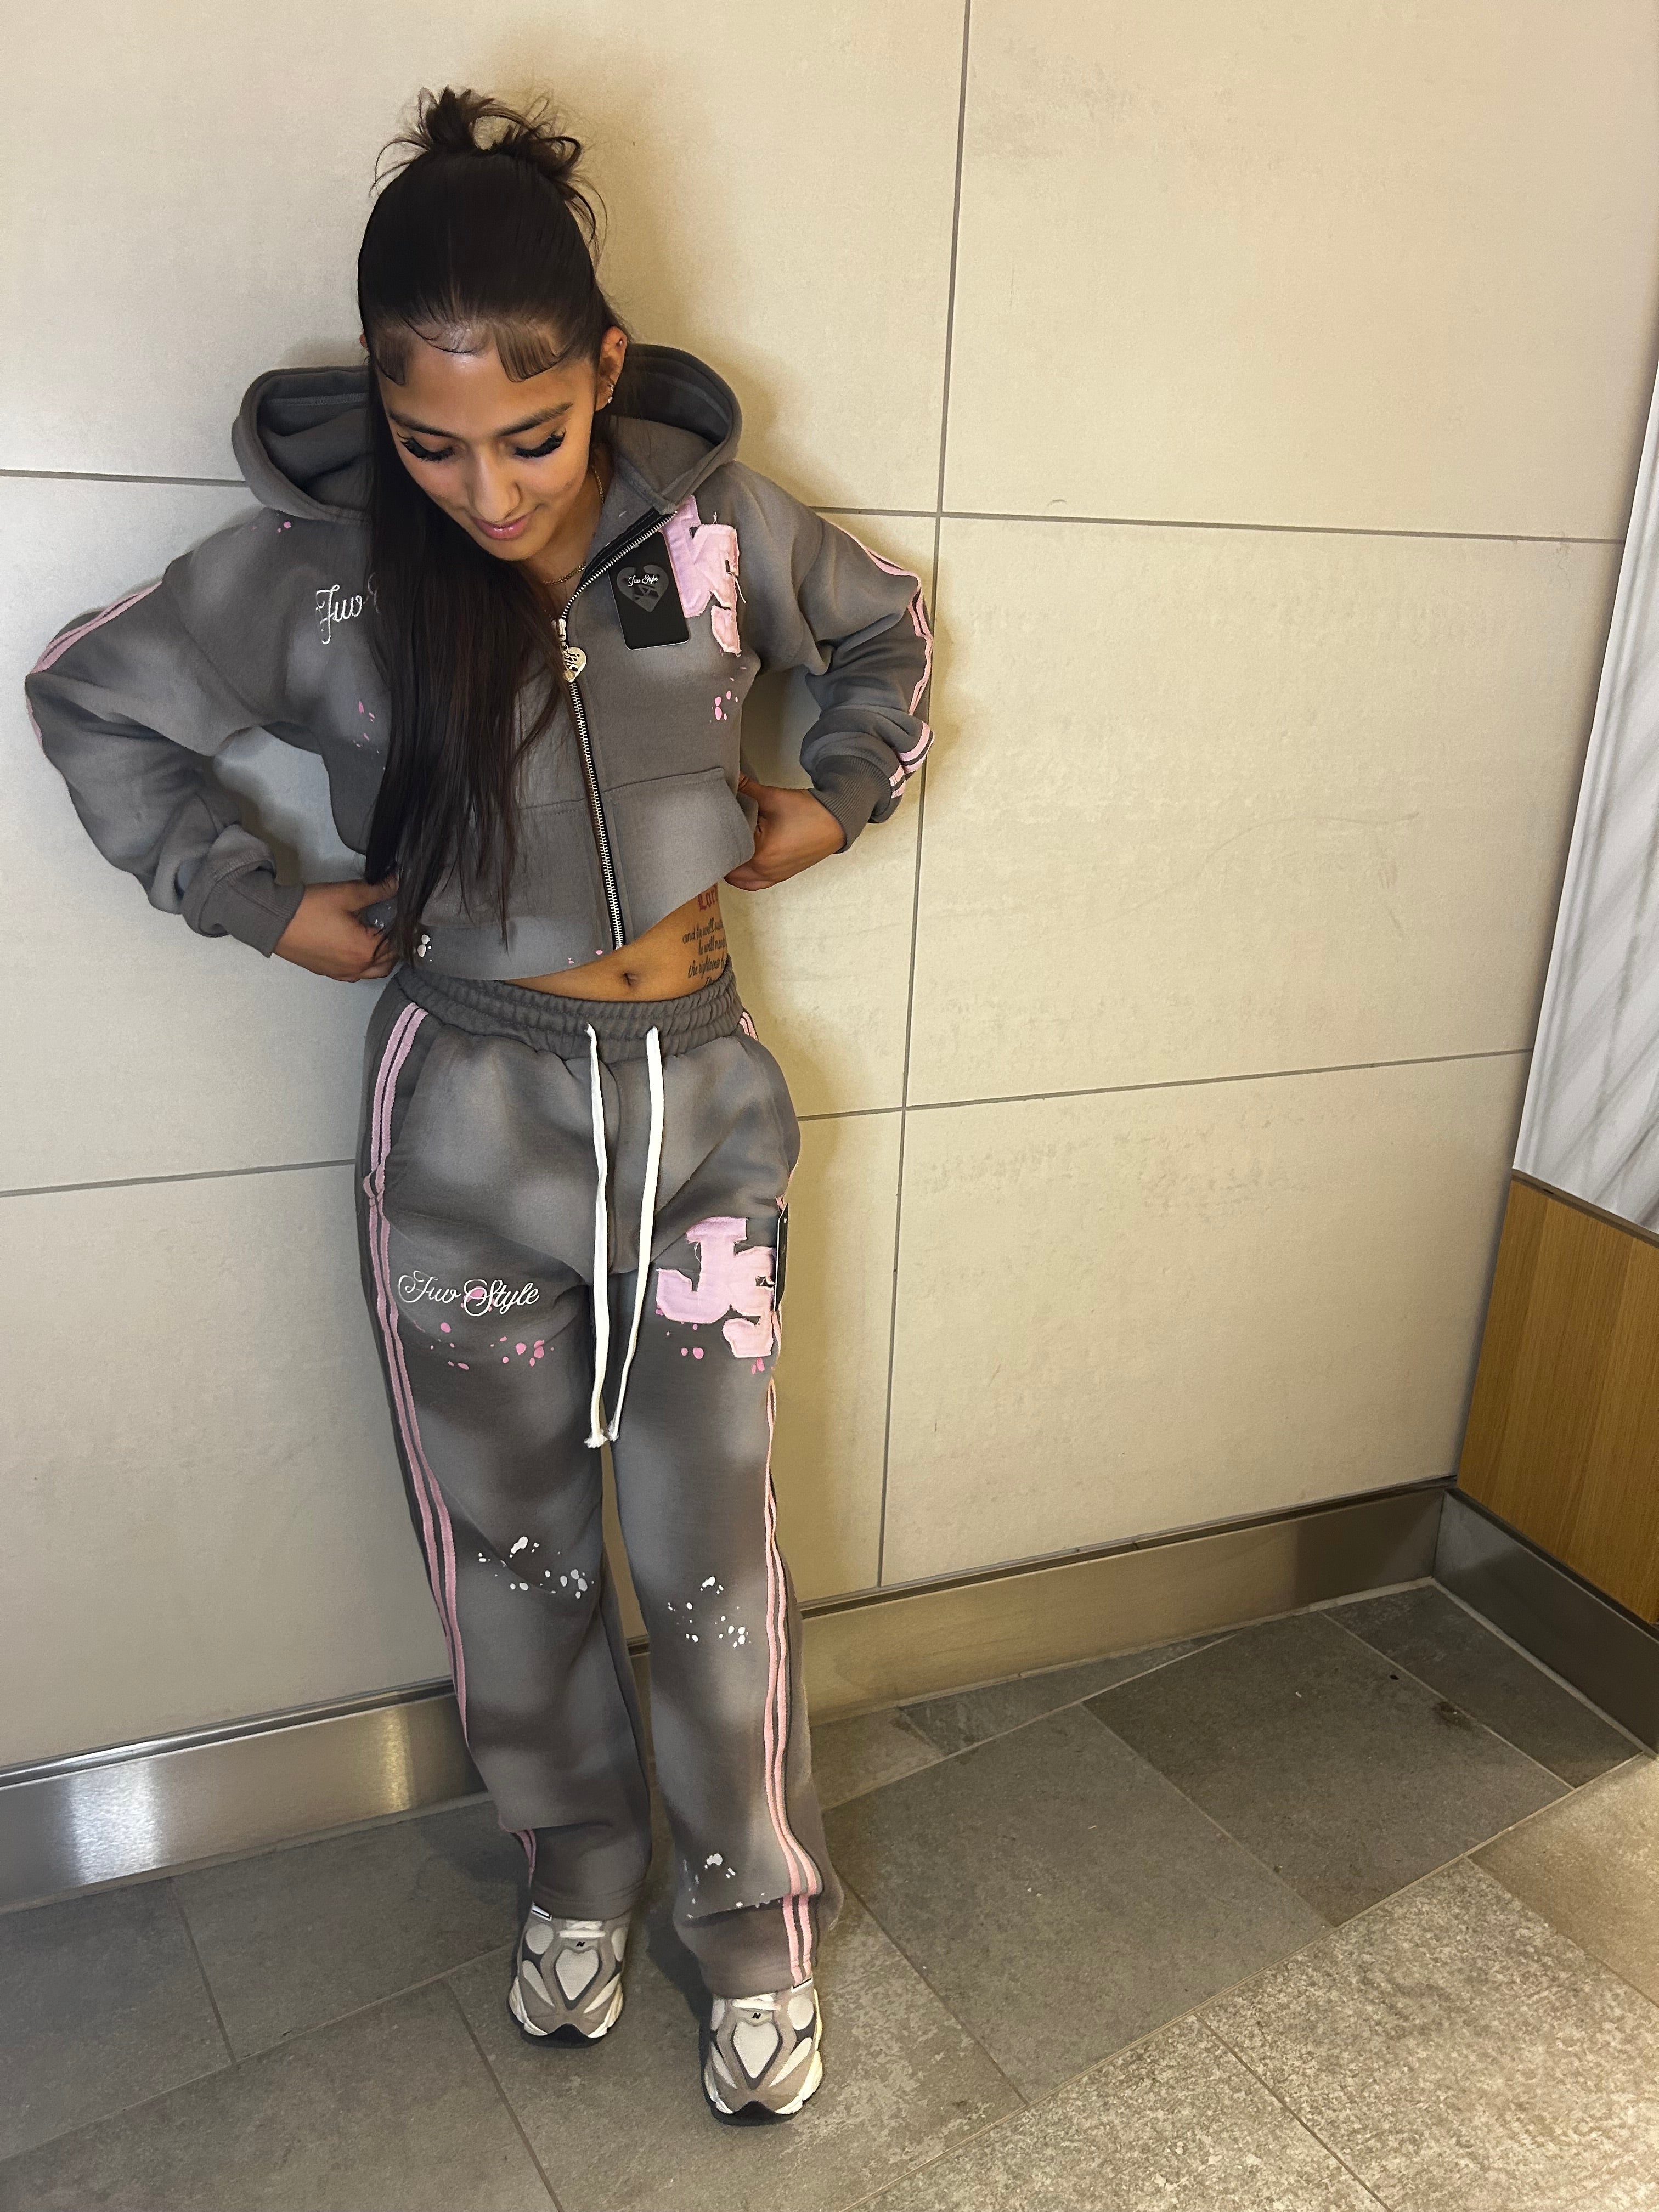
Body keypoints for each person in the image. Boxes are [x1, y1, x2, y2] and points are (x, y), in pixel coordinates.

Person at [26, 87, 932, 2123]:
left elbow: (885, 632)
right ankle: (577, 1875)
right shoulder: (322, 573)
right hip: (462, 1129)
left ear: (603, 366)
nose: (487, 487)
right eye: (432, 442)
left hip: (698, 1116)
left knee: (711, 1554)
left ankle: (755, 1927)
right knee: (512, 1553)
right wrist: (260, 904)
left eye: (530, 433)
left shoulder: (717, 533)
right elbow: (91, 697)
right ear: (381, 401)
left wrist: (834, 796)